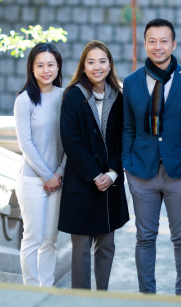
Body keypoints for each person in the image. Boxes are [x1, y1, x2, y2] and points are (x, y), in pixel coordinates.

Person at [122, 18, 181, 295]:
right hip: (141, 171)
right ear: (145, 44)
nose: (158, 46)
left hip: (180, 172)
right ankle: (147, 296)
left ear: (173, 43)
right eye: (152, 41)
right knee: (144, 238)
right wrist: (127, 163)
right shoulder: (132, 82)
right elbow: (127, 127)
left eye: (163, 41)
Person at [58, 40, 129, 290]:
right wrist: (95, 174)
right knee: (81, 248)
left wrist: (111, 173)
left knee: (107, 244)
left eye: (102, 61)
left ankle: (102, 296)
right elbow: (71, 141)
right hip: (82, 182)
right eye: (91, 62)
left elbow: (124, 138)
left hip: (110, 183)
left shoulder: (120, 96)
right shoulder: (73, 96)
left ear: (110, 65)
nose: (97, 67)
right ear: (84, 67)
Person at [13, 42, 66, 286]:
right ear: (32, 69)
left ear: (58, 66)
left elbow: (71, 140)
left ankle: (47, 289)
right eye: (40, 65)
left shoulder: (65, 97)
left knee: (50, 239)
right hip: (33, 180)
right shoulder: (24, 100)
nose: (46, 70)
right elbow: (26, 144)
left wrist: (59, 173)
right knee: (32, 238)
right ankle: (31, 291)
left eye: (50, 65)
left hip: (58, 178)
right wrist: (47, 176)